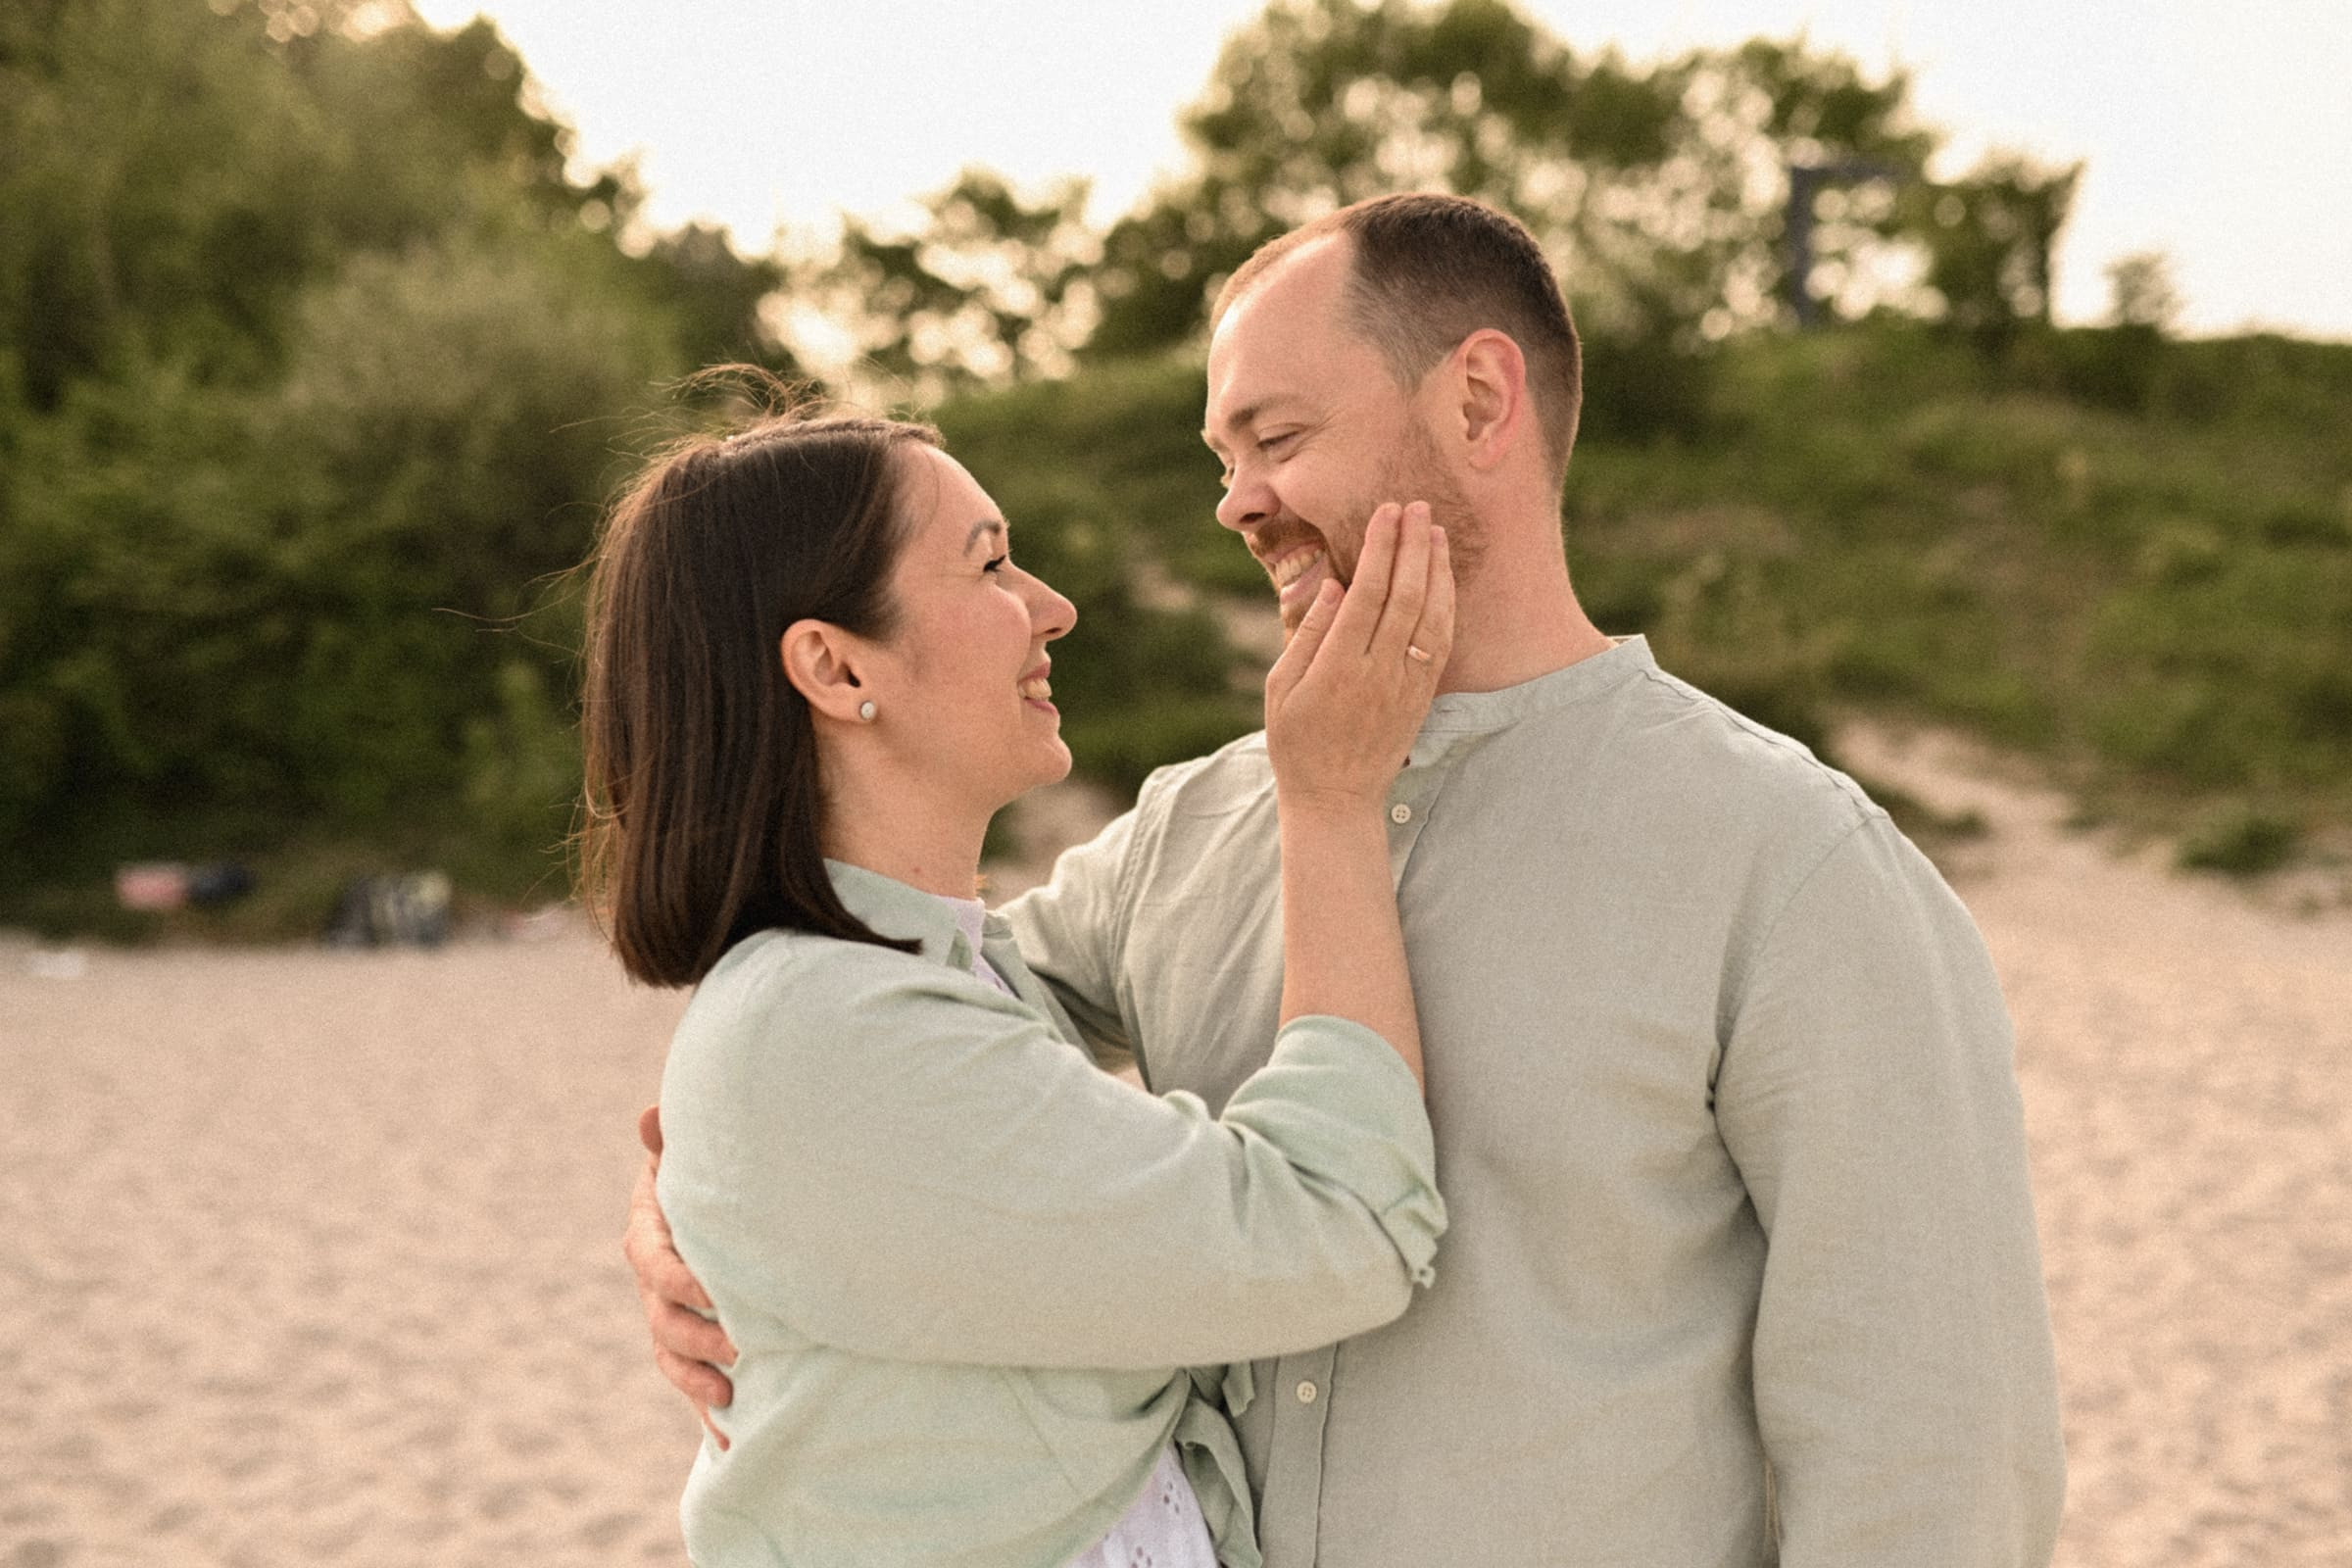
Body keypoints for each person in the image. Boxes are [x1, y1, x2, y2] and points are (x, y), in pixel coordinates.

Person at [628, 197, 2068, 1566]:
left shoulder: (1795, 868)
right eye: (1219, 459)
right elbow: (895, 1055)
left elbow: (1931, 1457)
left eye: (1279, 437)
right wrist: (684, 1221)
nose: (1235, 505)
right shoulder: (1190, 833)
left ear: (1481, 402)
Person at [582, 405, 1461, 1568]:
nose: (1052, 606)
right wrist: (1336, 802)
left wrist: (681, 1193)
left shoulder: (913, 975)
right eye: (990, 562)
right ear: (837, 666)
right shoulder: (828, 1029)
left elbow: (1036, 986)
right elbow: (1340, 1228)